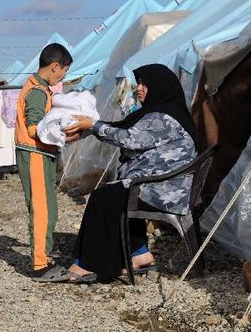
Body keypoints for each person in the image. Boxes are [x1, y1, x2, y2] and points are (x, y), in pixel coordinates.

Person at [61, 63, 197, 283]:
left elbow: (128, 138)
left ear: (159, 86)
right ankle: (139, 253)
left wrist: (93, 125)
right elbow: (127, 129)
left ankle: (88, 264)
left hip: (163, 190)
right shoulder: (164, 112)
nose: (139, 88)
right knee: (118, 191)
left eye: (144, 83)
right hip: (163, 186)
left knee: (103, 199)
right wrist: (89, 129)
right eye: (139, 83)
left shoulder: (162, 118)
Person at [15, 43, 75, 281]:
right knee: (41, 209)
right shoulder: (38, 92)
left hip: (41, 154)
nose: (63, 76)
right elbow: (34, 128)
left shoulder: (39, 88)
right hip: (35, 154)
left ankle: (45, 257)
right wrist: (63, 130)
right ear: (55, 66)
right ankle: (40, 265)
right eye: (64, 71)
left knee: (49, 207)